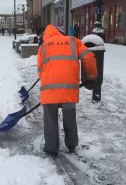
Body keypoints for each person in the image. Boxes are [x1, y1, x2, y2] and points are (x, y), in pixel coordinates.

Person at [37, 24, 97, 157]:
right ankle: (71, 145)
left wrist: (48, 83)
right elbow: (89, 57)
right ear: (59, 33)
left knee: (50, 119)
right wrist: (92, 76)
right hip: (69, 89)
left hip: (49, 89)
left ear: (46, 35)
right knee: (70, 117)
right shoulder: (72, 41)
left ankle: (51, 149)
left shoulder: (43, 46)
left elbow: (40, 71)